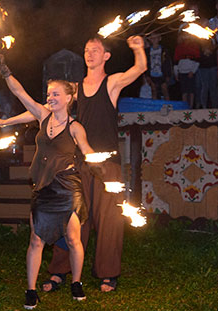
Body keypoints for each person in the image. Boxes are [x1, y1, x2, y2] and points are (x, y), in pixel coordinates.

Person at [0, 56, 104, 308]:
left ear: (68, 98)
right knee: (35, 239)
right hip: (43, 187)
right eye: (48, 93)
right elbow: (21, 94)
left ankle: (76, 283)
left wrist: (99, 164)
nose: (50, 97)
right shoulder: (43, 117)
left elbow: (86, 149)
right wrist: (5, 70)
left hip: (67, 187)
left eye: (55, 94)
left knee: (74, 239)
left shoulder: (75, 127)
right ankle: (30, 290)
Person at [43, 36, 146, 294]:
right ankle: (59, 271)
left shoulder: (110, 84)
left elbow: (140, 69)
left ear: (106, 56)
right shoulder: (75, 89)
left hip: (107, 164)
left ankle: (108, 274)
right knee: (72, 216)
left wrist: (138, 49)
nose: (89, 54)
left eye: (95, 50)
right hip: (80, 162)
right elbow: (49, 106)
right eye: (86, 50)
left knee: (109, 219)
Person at [174, 33, 200, 108]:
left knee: (191, 91)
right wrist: (176, 73)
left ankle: (191, 106)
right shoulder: (179, 47)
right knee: (184, 91)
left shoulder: (194, 46)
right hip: (182, 71)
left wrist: (193, 71)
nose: (186, 37)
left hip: (191, 71)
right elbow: (176, 62)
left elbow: (197, 61)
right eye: (184, 35)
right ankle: (184, 106)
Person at [144, 33, 172, 100]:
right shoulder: (147, 51)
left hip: (162, 73)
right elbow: (146, 63)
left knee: (164, 89)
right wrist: (146, 75)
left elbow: (168, 63)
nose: (154, 40)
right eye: (152, 38)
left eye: (156, 38)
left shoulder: (164, 50)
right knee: (153, 90)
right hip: (152, 73)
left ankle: (168, 105)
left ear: (159, 38)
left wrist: (168, 75)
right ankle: (155, 107)